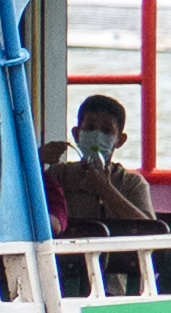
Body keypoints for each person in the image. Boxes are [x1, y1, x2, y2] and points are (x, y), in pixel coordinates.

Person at [55, 92, 163, 233]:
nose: (97, 135)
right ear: (76, 134)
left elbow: (150, 230)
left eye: (106, 130)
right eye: (90, 128)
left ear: (120, 140)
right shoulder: (59, 175)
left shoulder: (132, 183)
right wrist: (40, 158)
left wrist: (105, 189)